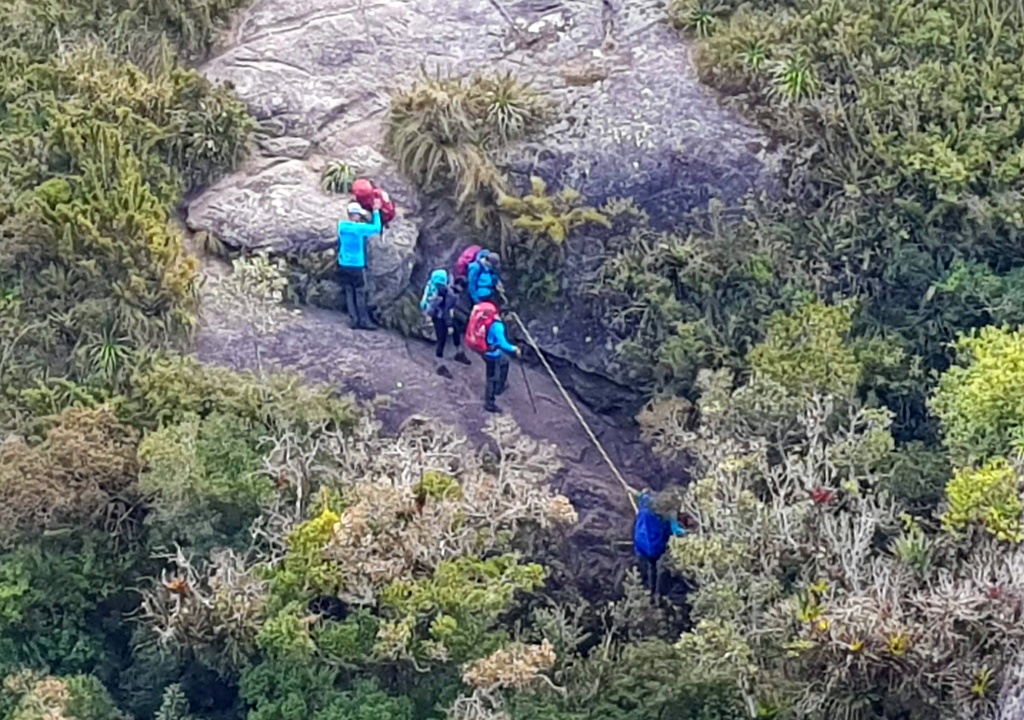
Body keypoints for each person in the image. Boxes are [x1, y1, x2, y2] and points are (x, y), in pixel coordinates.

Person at [337, 198, 382, 331]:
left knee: (349, 291)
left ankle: (353, 320)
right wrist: (376, 211)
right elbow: (376, 228)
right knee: (360, 292)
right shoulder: (359, 229)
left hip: (343, 263)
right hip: (356, 265)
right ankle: (363, 321)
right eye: (359, 215)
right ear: (354, 215)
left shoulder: (342, 226)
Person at [424, 273, 472, 369]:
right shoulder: (452, 295)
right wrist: (449, 325)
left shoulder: (449, 289)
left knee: (456, 330)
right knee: (442, 338)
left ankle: (459, 352)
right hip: (438, 316)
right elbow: (446, 310)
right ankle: (439, 363)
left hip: (442, 314)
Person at [483, 308, 521, 413]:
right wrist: (515, 349)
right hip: (491, 353)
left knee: (505, 362)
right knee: (492, 378)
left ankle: (500, 386)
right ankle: (489, 403)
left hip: (490, 349)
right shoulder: (498, 326)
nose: (510, 318)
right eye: (509, 316)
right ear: (503, 314)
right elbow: (503, 344)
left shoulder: (491, 319)